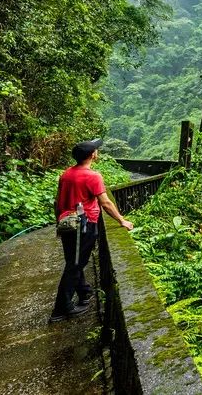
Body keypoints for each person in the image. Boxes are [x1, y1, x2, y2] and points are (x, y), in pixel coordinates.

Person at [50, 138, 133, 323]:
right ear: (92, 155)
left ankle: (85, 293)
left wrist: (59, 221)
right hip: (83, 225)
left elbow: (58, 201)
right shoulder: (93, 176)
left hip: (66, 223)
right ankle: (61, 309)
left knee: (74, 260)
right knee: (75, 265)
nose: (97, 152)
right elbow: (105, 202)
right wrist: (122, 220)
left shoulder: (66, 174)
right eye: (96, 150)